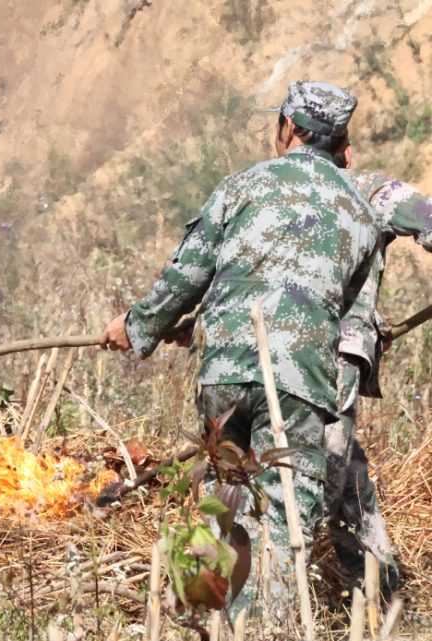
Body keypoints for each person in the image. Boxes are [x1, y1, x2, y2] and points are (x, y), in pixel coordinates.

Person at [98, 81, 384, 611]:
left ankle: (200, 622)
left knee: (221, 502)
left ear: (292, 129)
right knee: (283, 516)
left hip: (225, 373)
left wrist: (138, 327)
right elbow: (343, 310)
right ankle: (264, 638)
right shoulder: (362, 216)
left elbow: (188, 275)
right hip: (300, 381)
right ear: (337, 139)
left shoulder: (241, 186)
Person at [324, 145, 432, 597]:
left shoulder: (265, 192)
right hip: (326, 359)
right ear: (346, 152)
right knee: (322, 473)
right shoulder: (367, 189)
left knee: (342, 470)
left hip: (258, 359)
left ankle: (381, 594)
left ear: (286, 135)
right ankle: (275, 614)